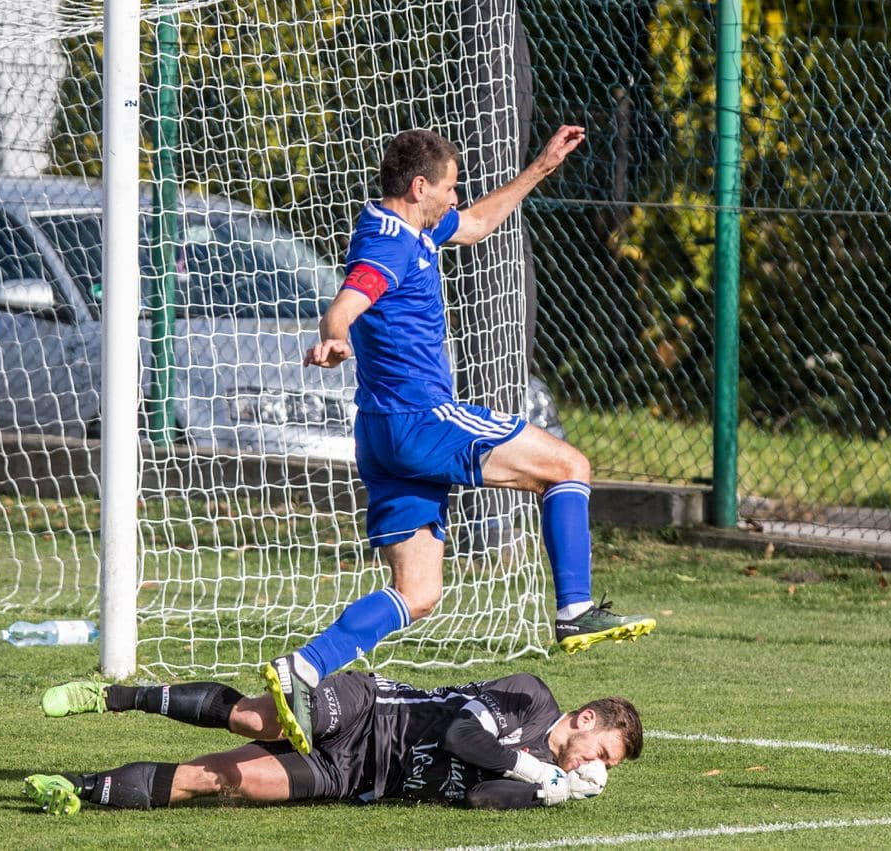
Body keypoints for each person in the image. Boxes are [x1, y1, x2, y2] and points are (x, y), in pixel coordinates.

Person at [266, 125, 656, 755]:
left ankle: (304, 668)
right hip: (423, 421)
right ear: (420, 186)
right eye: (449, 186)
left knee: (418, 593)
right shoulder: (390, 246)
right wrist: (334, 335)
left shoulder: (410, 228)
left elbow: (474, 225)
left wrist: (540, 168)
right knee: (568, 466)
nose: (455, 197)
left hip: (382, 435)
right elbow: (348, 300)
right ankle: (575, 610)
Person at [22, 675, 642, 815]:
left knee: (220, 780)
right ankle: (114, 695)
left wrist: (546, 795)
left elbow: (482, 798)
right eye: (603, 753)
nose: (597, 768)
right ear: (586, 719)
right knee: (253, 719)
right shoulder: (529, 698)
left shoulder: (545, 777)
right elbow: (460, 734)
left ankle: (78, 789)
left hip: (354, 776)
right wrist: (535, 770)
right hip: (369, 709)